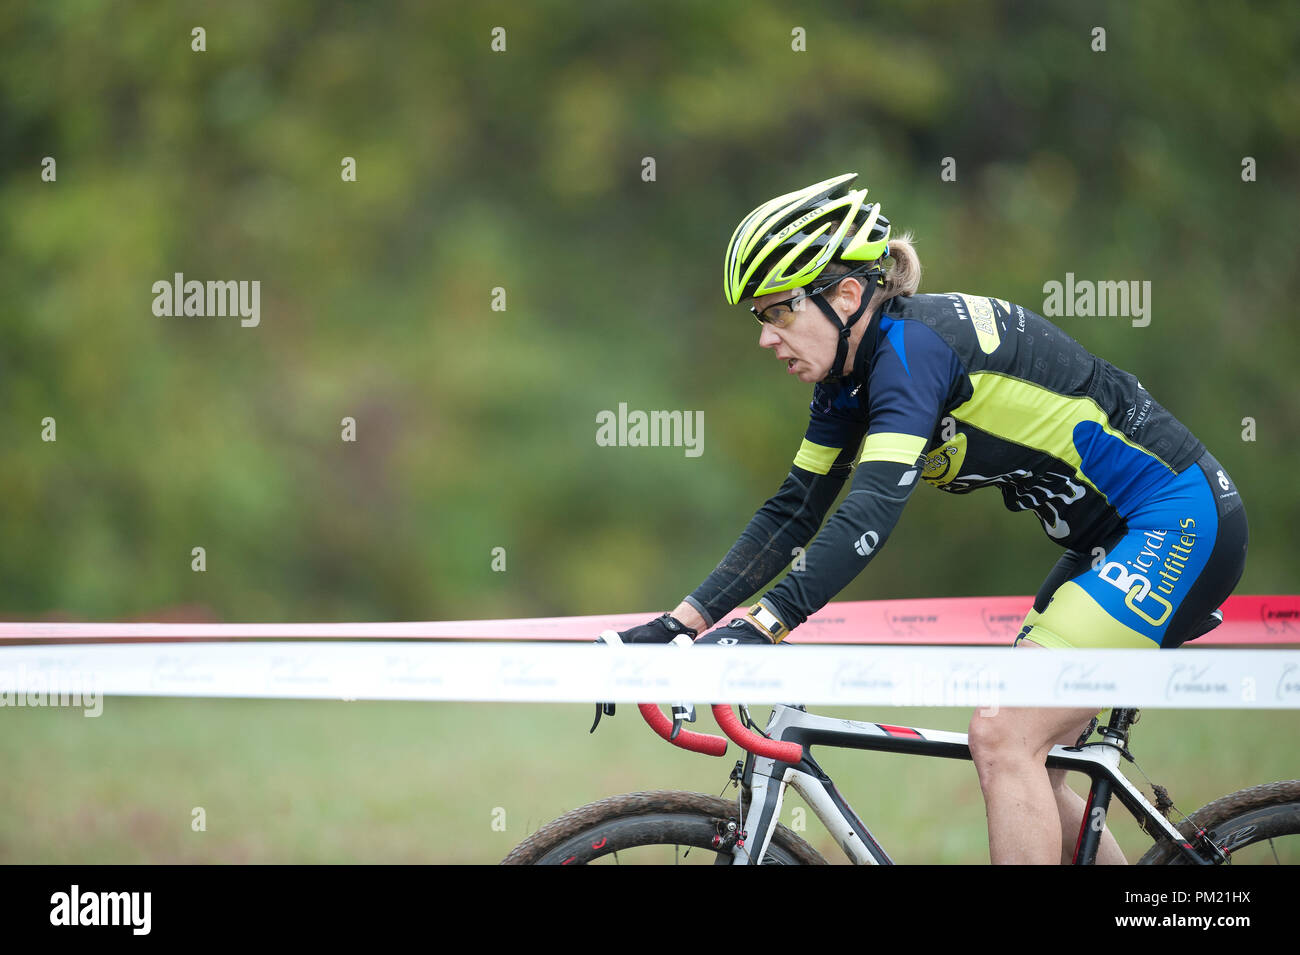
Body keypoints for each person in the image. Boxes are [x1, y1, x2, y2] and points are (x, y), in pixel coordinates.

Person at [604, 173, 1248, 864]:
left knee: (1004, 735)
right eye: (759, 317)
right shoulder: (847, 382)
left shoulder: (913, 352)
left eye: (779, 311)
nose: (768, 337)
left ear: (846, 295)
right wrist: (684, 621)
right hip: (1106, 540)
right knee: (1036, 767)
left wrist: (764, 626)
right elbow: (794, 511)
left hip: (1175, 521)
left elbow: (871, 509)